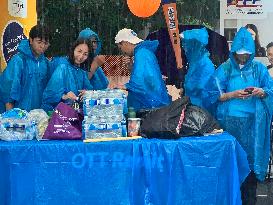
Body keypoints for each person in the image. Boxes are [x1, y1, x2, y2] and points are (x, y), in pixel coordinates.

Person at [206, 27, 273, 205]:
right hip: (230, 127)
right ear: (233, 52)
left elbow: (270, 90)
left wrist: (261, 92)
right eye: (239, 54)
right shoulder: (225, 69)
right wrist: (233, 94)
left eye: (246, 54)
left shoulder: (259, 69)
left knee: (249, 169)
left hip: (252, 128)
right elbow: (213, 94)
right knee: (231, 167)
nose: (243, 57)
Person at [113, 28, 170, 111]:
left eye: (120, 48)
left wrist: (123, 86)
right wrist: (131, 66)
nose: (122, 52)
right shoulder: (142, 52)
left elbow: (140, 82)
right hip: (151, 103)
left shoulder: (142, 54)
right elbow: (145, 76)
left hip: (151, 106)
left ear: (125, 43)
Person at [0, 25, 51, 112]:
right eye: (39, 42)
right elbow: (8, 92)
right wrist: (11, 117)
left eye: (46, 43)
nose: (42, 46)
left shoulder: (45, 63)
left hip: (38, 116)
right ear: (31, 40)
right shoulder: (18, 61)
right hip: (19, 116)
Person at [41, 38, 94, 111]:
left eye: (85, 54)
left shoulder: (82, 72)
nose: (81, 56)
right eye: (79, 51)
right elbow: (48, 96)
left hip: (75, 115)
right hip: (59, 116)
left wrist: (87, 93)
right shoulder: (62, 68)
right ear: (73, 50)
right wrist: (64, 96)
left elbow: (90, 90)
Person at [180, 27, 215, 111]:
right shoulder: (194, 62)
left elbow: (203, 89)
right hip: (192, 107)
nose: (184, 47)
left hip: (200, 110)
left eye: (187, 44)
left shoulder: (205, 64)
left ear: (195, 44)